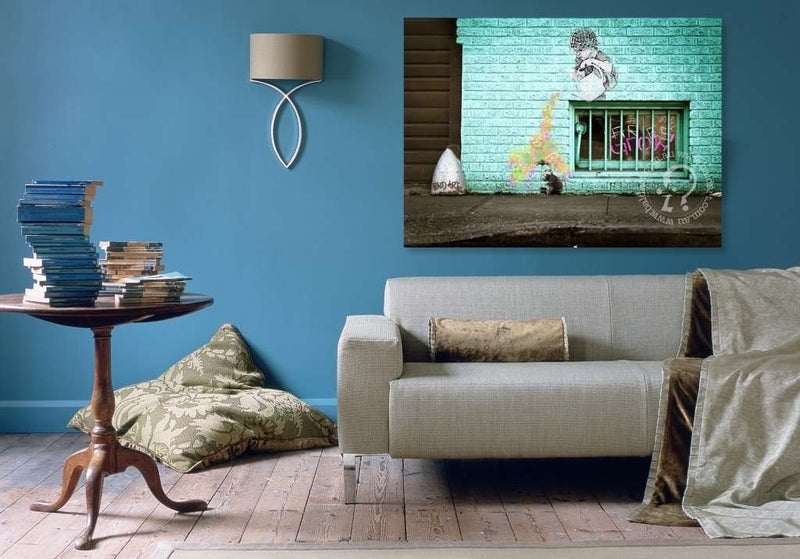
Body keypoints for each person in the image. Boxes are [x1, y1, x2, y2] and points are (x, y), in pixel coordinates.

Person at [570, 28, 617, 101]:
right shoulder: (580, 59)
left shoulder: (600, 56)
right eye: (576, 51)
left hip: (598, 96)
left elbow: (609, 68)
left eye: (581, 50)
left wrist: (592, 61)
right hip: (586, 95)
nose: (578, 54)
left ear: (591, 47)